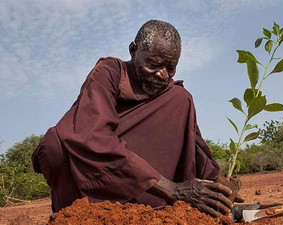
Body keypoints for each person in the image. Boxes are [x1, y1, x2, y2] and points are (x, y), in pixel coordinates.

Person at [32, 20, 241, 218]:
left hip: (143, 188)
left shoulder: (172, 95)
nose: (162, 75)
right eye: (154, 64)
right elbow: (92, 135)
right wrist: (171, 189)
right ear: (133, 50)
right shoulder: (108, 74)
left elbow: (195, 144)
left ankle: (154, 207)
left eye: (170, 68)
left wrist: (217, 184)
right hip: (94, 183)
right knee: (55, 143)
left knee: (181, 98)